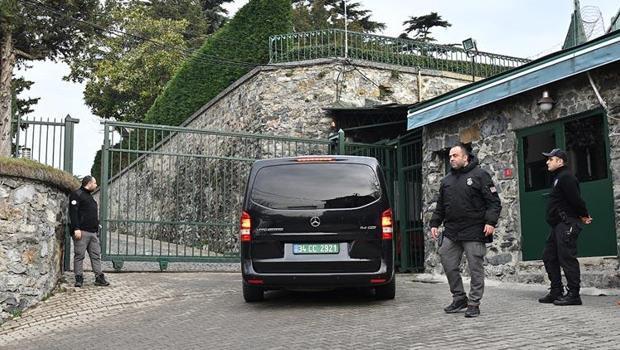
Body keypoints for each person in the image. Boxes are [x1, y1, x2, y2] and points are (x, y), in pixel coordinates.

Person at [430, 144, 502, 318]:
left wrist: (491, 222)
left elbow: (494, 202)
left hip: (474, 229)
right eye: (450, 156)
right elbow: (441, 205)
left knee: (475, 267)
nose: (452, 159)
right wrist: (434, 223)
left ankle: (474, 303)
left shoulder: (480, 175)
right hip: (452, 231)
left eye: (455, 155)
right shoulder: (446, 180)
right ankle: (459, 297)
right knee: (447, 261)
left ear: (465, 157)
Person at [538, 148, 591, 306]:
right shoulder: (558, 178)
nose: (547, 162)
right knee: (549, 256)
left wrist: (584, 215)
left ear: (560, 161)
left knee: (567, 258)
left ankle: (574, 294)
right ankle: (556, 291)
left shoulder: (566, 177)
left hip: (567, 223)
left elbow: (576, 200)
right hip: (557, 226)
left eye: (550, 159)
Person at [69, 175, 110, 287]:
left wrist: (97, 226)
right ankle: (78, 279)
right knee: (79, 256)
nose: (96, 185)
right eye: (95, 183)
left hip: (93, 233)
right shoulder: (77, 194)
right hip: (81, 232)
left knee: (96, 255)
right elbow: (73, 213)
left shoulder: (90, 197)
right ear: (89, 183)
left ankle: (99, 278)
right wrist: (76, 228)